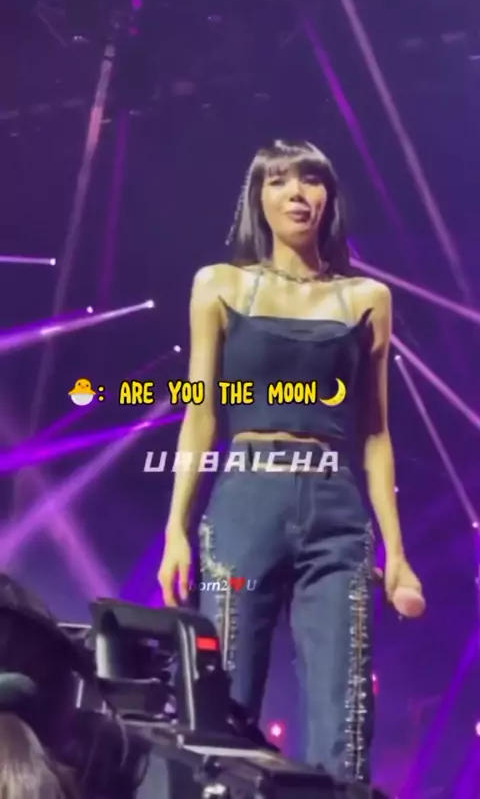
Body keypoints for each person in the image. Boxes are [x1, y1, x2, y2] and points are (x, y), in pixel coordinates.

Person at [157, 139, 424, 784]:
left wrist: (396, 550)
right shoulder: (219, 285)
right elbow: (200, 413)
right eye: (279, 181)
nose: (297, 193)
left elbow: (376, 434)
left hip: (336, 513)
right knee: (225, 704)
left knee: (344, 718)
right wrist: (175, 530)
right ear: (259, 198)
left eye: (310, 179)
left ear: (328, 196)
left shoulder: (367, 298)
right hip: (246, 505)